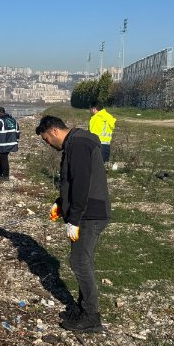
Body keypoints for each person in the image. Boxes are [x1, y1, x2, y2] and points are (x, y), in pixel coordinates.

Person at [35, 115, 111, 333]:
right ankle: (82, 308)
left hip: (90, 214)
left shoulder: (78, 145)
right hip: (87, 211)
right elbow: (71, 182)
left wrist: (74, 219)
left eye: (46, 139)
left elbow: (81, 184)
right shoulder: (75, 143)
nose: (48, 144)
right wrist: (61, 204)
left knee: (79, 262)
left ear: (54, 132)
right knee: (81, 260)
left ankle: (91, 316)